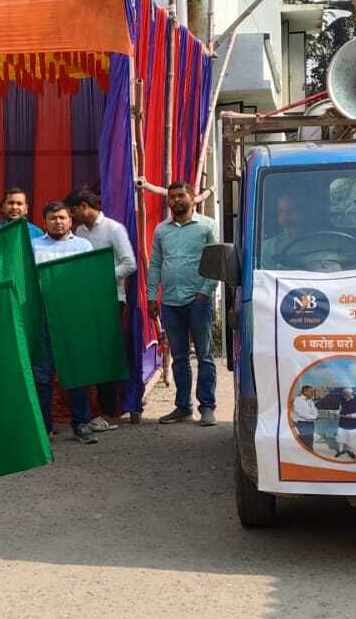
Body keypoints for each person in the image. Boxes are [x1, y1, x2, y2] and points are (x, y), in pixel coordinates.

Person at [146, 182, 220, 427]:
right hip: (170, 302)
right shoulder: (161, 230)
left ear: (192, 198)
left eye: (180, 196)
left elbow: (215, 262)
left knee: (204, 356)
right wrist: (151, 296)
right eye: (172, 197)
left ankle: (207, 407)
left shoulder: (207, 226)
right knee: (178, 357)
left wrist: (205, 292)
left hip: (198, 300)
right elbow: (156, 264)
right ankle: (183, 407)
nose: (176, 200)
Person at [68, 187, 137, 431]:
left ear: (84, 207)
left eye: (73, 210)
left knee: (106, 354)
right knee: (91, 354)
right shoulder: (79, 232)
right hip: (85, 300)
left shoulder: (114, 228)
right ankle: (93, 411)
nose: (72, 216)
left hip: (111, 299)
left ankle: (110, 412)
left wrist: (101, 276)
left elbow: (130, 264)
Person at [31, 201, 98, 444]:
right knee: (42, 375)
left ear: (70, 220)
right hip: (43, 318)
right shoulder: (33, 246)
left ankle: (81, 424)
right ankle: (44, 428)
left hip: (73, 317)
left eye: (62, 217)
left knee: (76, 373)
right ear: (45, 222)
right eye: (52, 218)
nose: (57, 222)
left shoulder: (83, 246)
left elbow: (89, 279)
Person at [335, 387, 356, 459]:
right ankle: (340, 451)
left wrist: (351, 415)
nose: (344, 396)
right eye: (343, 394)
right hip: (342, 423)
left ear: (350, 393)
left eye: (345, 394)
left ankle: (350, 451)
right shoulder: (342, 400)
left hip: (353, 425)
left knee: (351, 440)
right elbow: (340, 409)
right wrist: (337, 413)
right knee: (340, 439)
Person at [291, 385, 321, 449]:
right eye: (311, 391)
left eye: (313, 391)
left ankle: (309, 452)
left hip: (310, 424)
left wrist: (316, 415)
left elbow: (315, 410)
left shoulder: (310, 401)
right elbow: (300, 413)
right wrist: (314, 417)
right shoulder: (298, 400)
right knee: (305, 442)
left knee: (310, 441)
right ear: (305, 392)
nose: (312, 393)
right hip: (302, 424)